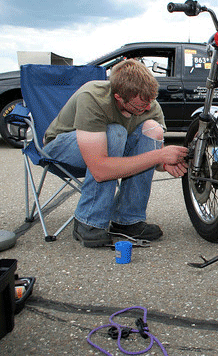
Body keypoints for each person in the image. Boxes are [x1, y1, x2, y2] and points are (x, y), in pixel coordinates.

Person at [42, 59, 189, 247]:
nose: (146, 109)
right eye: (139, 106)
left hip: (108, 149)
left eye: (149, 103)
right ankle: (88, 220)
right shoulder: (93, 97)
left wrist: (165, 163)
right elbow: (100, 169)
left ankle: (127, 220)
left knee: (152, 129)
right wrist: (159, 156)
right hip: (60, 147)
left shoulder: (149, 105)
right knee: (115, 132)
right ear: (119, 97)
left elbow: (153, 159)